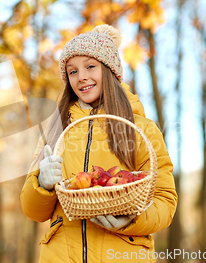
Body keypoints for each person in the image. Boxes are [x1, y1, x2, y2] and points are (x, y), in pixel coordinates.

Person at [20, 24, 177, 263]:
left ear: (110, 71)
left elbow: (165, 200)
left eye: (90, 66)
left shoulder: (142, 129)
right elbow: (33, 211)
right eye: (72, 72)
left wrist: (133, 219)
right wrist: (42, 185)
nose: (81, 77)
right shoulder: (56, 131)